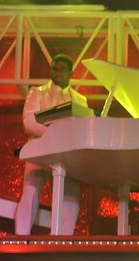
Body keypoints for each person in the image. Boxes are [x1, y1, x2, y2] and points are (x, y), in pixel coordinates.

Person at [15, 54, 88, 235]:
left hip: (67, 154)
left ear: (71, 73)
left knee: (71, 198)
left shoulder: (80, 99)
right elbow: (29, 122)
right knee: (31, 193)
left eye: (62, 69)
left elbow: (82, 127)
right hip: (39, 149)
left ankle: (62, 242)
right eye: (54, 68)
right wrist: (54, 136)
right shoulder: (37, 92)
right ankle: (21, 237)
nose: (56, 73)